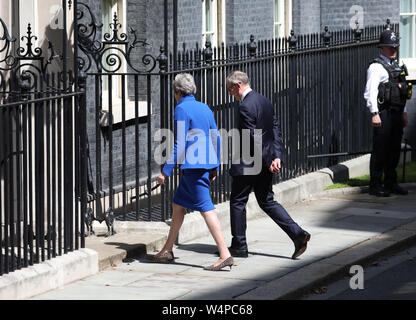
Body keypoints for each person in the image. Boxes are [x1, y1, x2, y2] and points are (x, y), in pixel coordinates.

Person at [153, 73, 233, 271]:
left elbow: (180, 143)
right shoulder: (204, 107)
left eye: (174, 91)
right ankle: (167, 250)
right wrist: (215, 165)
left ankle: (225, 254)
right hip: (204, 164)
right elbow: (217, 137)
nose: (174, 94)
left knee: (206, 208)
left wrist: (166, 171)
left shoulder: (181, 108)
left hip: (194, 166)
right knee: (178, 205)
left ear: (178, 91)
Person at [226, 71, 310, 260]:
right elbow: (275, 130)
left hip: (250, 163)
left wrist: (268, 160)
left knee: (238, 202)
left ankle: (239, 246)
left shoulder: (245, 106)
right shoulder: (264, 100)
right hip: (266, 160)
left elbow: (253, 138)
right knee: (267, 201)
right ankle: (297, 233)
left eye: (231, 90)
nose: (231, 94)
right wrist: (276, 157)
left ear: (238, 85)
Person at [364, 29, 412, 197]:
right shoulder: (376, 67)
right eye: (390, 47)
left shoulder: (397, 66)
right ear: (382, 48)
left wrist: (404, 111)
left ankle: (391, 182)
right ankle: (375, 184)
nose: (393, 50)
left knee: (394, 149)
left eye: (395, 47)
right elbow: (370, 92)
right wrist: (374, 113)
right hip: (383, 112)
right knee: (380, 149)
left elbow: (402, 92)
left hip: (397, 113)